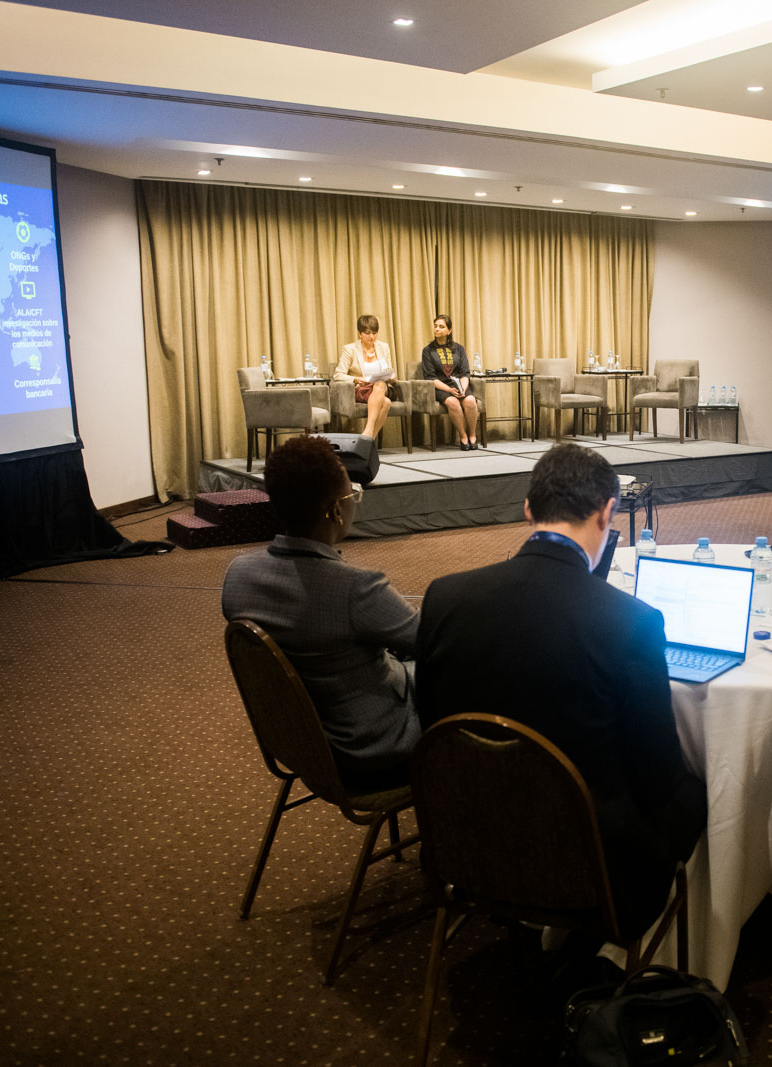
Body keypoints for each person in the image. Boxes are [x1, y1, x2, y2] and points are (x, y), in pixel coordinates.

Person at [414, 444, 705, 937]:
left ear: (528, 510)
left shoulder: (444, 596)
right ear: (607, 512)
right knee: (701, 792)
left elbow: (431, 725)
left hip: (467, 839)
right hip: (593, 872)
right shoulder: (632, 621)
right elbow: (657, 780)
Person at [221, 434, 419, 792]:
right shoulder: (355, 589)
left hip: (304, 745)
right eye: (352, 494)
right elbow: (432, 639)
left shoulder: (238, 576)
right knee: (473, 668)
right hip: (372, 752)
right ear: (335, 511)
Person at [421, 314, 480, 450]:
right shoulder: (428, 351)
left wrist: (463, 388)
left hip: (459, 385)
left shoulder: (459, 349)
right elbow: (430, 377)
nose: (437, 329)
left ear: (449, 330)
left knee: (470, 401)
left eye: (441, 327)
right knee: (453, 402)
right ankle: (463, 436)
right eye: (435, 326)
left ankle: (472, 435)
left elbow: (465, 373)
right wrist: (448, 390)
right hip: (441, 387)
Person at [333, 313, 394, 439]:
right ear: (360, 333)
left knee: (380, 384)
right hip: (362, 389)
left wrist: (391, 376)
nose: (372, 337)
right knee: (386, 403)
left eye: (375, 333)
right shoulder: (350, 349)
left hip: (381, 387)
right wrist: (357, 379)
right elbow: (338, 375)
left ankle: (368, 430)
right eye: (368, 333)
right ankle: (369, 439)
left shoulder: (383, 347)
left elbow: (389, 369)